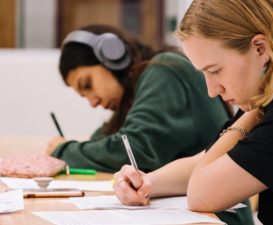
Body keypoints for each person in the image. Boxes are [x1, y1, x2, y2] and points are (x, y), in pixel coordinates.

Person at [113, 0, 273, 225]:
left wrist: (253, 112)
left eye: (215, 71)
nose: (212, 91)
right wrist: (144, 182)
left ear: (260, 48)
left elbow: (203, 194)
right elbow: (207, 162)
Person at [46, 24, 230, 174]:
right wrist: (72, 150)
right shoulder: (137, 90)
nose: (93, 103)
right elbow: (101, 143)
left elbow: (135, 149)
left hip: (214, 217)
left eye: (87, 85)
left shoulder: (165, 71)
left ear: (113, 55)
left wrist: (63, 151)